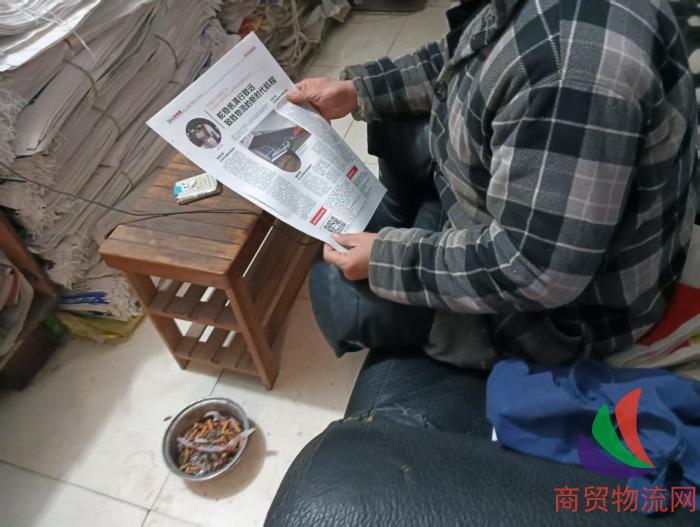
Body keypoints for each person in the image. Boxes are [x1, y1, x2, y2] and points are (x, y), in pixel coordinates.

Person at [287, 0, 698, 368]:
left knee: (335, 294)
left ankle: (400, 248)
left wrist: (387, 259)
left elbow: (534, 270)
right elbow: (464, 55)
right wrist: (357, 91)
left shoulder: (568, 69)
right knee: (391, 123)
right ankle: (399, 221)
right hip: (541, 216)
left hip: (569, 313)